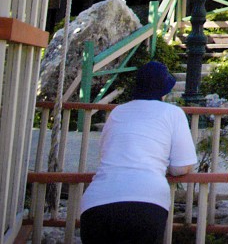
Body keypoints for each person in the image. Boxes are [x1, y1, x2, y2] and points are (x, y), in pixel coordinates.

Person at [79, 61, 197, 244]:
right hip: (146, 200)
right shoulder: (173, 113)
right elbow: (182, 166)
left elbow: (105, 154)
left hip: (97, 201)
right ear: (164, 91)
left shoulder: (117, 112)